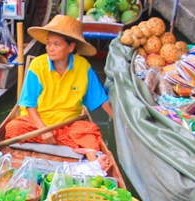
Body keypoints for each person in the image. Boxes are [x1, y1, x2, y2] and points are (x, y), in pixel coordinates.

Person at [8, 15, 115, 150]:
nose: (50, 48)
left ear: (70, 47)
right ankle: (69, 146)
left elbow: (100, 99)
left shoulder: (83, 66)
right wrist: (43, 130)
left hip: (69, 124)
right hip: (38, 124)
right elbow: (28, 104)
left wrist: (118, 122)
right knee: (13, 128)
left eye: (56, 44)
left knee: (91, 135)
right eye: (48, 43)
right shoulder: (37, 65)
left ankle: (58, 142)